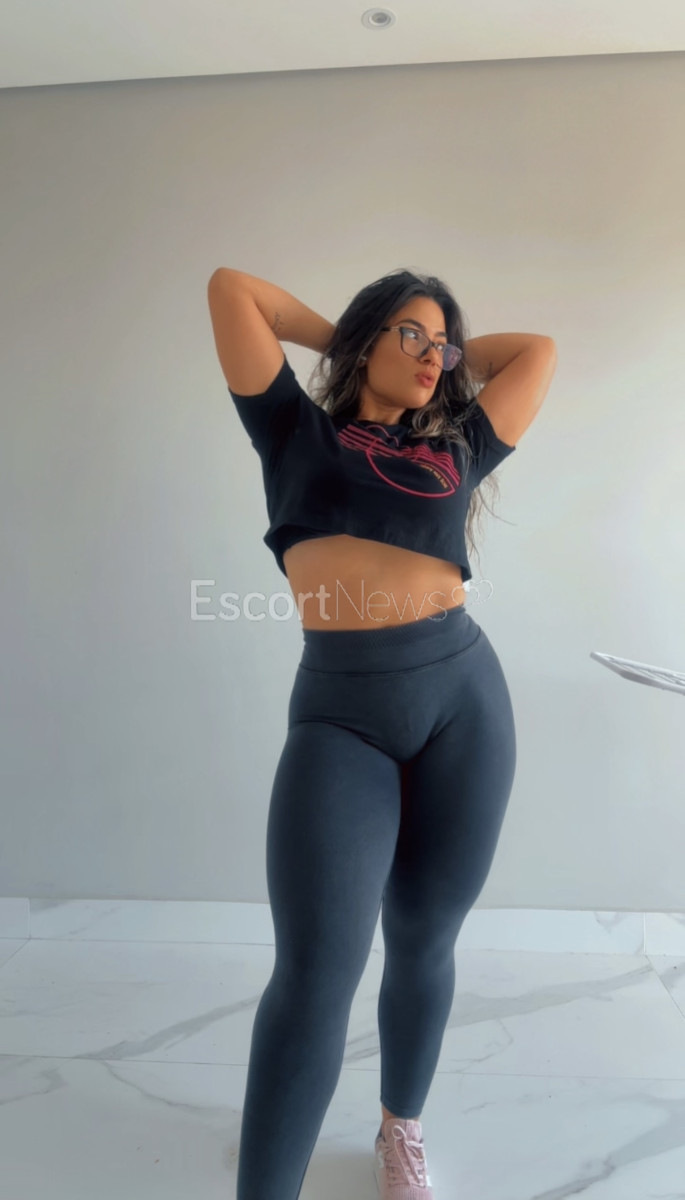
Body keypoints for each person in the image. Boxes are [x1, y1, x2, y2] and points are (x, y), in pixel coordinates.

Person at [207, 266, 557, 1199]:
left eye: (444, 344)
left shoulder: (457, 445)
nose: (433, 357)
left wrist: (435, 360)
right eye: (412, 335)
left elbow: (537, 353)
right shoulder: (292, 427)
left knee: (424, 935)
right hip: (340, 716)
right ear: (366, 341)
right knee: (314, 974)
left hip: (463, 701)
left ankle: (401, 1127)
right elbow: (232, 290)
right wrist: (352, 340)